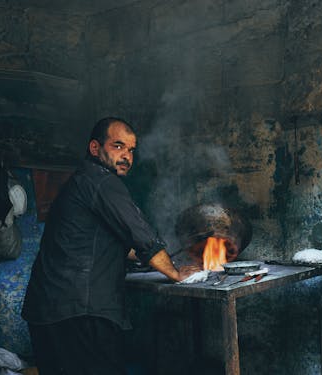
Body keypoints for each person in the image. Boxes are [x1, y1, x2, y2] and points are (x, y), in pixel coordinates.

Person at [21, 117, 198, 374]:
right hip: (80, 312)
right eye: (118, 146)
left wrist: (149, 258)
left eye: (131, 150)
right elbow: (140, 234)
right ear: (95, 148)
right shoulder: (102, 181)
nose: (126, 155)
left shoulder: (81, 182)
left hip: (47, 310)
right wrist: (174, 272)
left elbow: (106, 241)